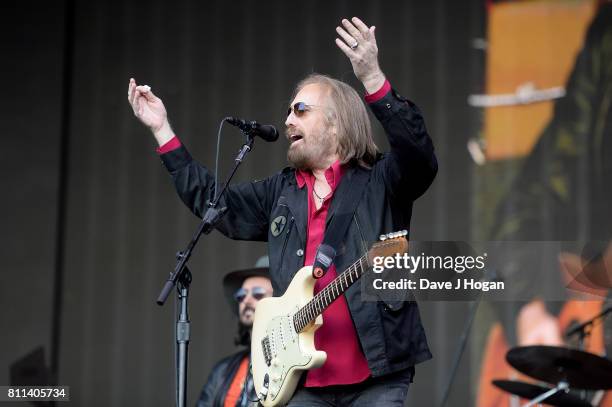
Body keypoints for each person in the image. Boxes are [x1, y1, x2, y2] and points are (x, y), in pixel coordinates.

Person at [128, 16, 437, 406]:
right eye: (288, 111)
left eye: (301, 110)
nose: (288, 119)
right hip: (301, 379)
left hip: (377, 376)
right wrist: (162, 131)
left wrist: (373, 78)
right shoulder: (282, 192)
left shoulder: (381, 180)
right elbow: (213, 202)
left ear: (337, 123)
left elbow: (420, 157)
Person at [196, 257, 273, 407]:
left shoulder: (296, 365)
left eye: (257, 294)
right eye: (241, 296)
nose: (246, 300)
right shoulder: (222, 371)